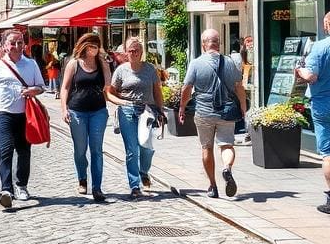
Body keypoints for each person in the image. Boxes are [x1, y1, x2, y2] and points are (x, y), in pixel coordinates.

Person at [179, 29, 247, 199]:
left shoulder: (196, 63)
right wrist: (243, 107)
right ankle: (227, 168)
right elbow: (239, 87)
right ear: (219, 43)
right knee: (227, 145)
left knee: (206, 147)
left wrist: (182, 107)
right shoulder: (230, 62)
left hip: (204, 112)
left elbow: (186, 88)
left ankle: (213, 186)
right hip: (226, 112)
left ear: (204, 44)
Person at [0, 30, 44, 208]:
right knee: (6, 149)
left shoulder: (31, 64)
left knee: (24, 151)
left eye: (20, 43)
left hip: (25, 114)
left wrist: (33, 90)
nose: (17, 46)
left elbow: (41, 87)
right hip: (3, 113)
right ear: (5, 46)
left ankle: (21, 185)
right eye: (13, 43)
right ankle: (6, 189)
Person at [105, 36, 165, 198]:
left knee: (146, 147)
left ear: (141, 52)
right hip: (127, 112)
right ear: (126, 53)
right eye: (130, 51)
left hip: (146, 111)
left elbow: (157, 91)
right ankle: (134, 185)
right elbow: (110, 92)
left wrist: (161, 111)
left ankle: (143, 171)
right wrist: (120, 103)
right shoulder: (121, 70)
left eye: (136, 50)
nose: (134, 53)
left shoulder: (150, 69)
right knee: (131, 150)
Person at [60, 32, 111, 202]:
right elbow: (65, 88)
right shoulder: (74, 64)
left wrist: (105, 63)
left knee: (97, 150)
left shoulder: (101, 62)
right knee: (80, 150)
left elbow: (108, 85)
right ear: (84, 46)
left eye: (97, 47)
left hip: (98, 111)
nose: (94, 50)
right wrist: (63, 109)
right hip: (77, 111)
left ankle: (97, 187)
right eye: (92, 47)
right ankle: (82, 177)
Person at [295, 11, 330, 215]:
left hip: (324, 104)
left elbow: (311, 76)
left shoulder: (320, 47)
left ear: (327, 25)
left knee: (327, 153)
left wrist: (299, 70)